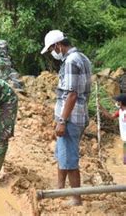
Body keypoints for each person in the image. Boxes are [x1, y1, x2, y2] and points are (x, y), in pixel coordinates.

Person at [41, 30, 92, 206]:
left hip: (70, 118)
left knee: (69, 159)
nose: (51, 53)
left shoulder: (71, 61)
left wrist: (62, 121)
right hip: (76, 114)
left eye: (51, 50)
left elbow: (71, 94)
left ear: (58, 45)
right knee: (63, 154)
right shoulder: (82, 57)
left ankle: (76, 198)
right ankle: (61, 188)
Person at [100, 93, 126, 164]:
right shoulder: (120, 111)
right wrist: (101, 108)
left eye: (117, 101)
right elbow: (111, 116)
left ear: (121, 102)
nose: (116, 103)